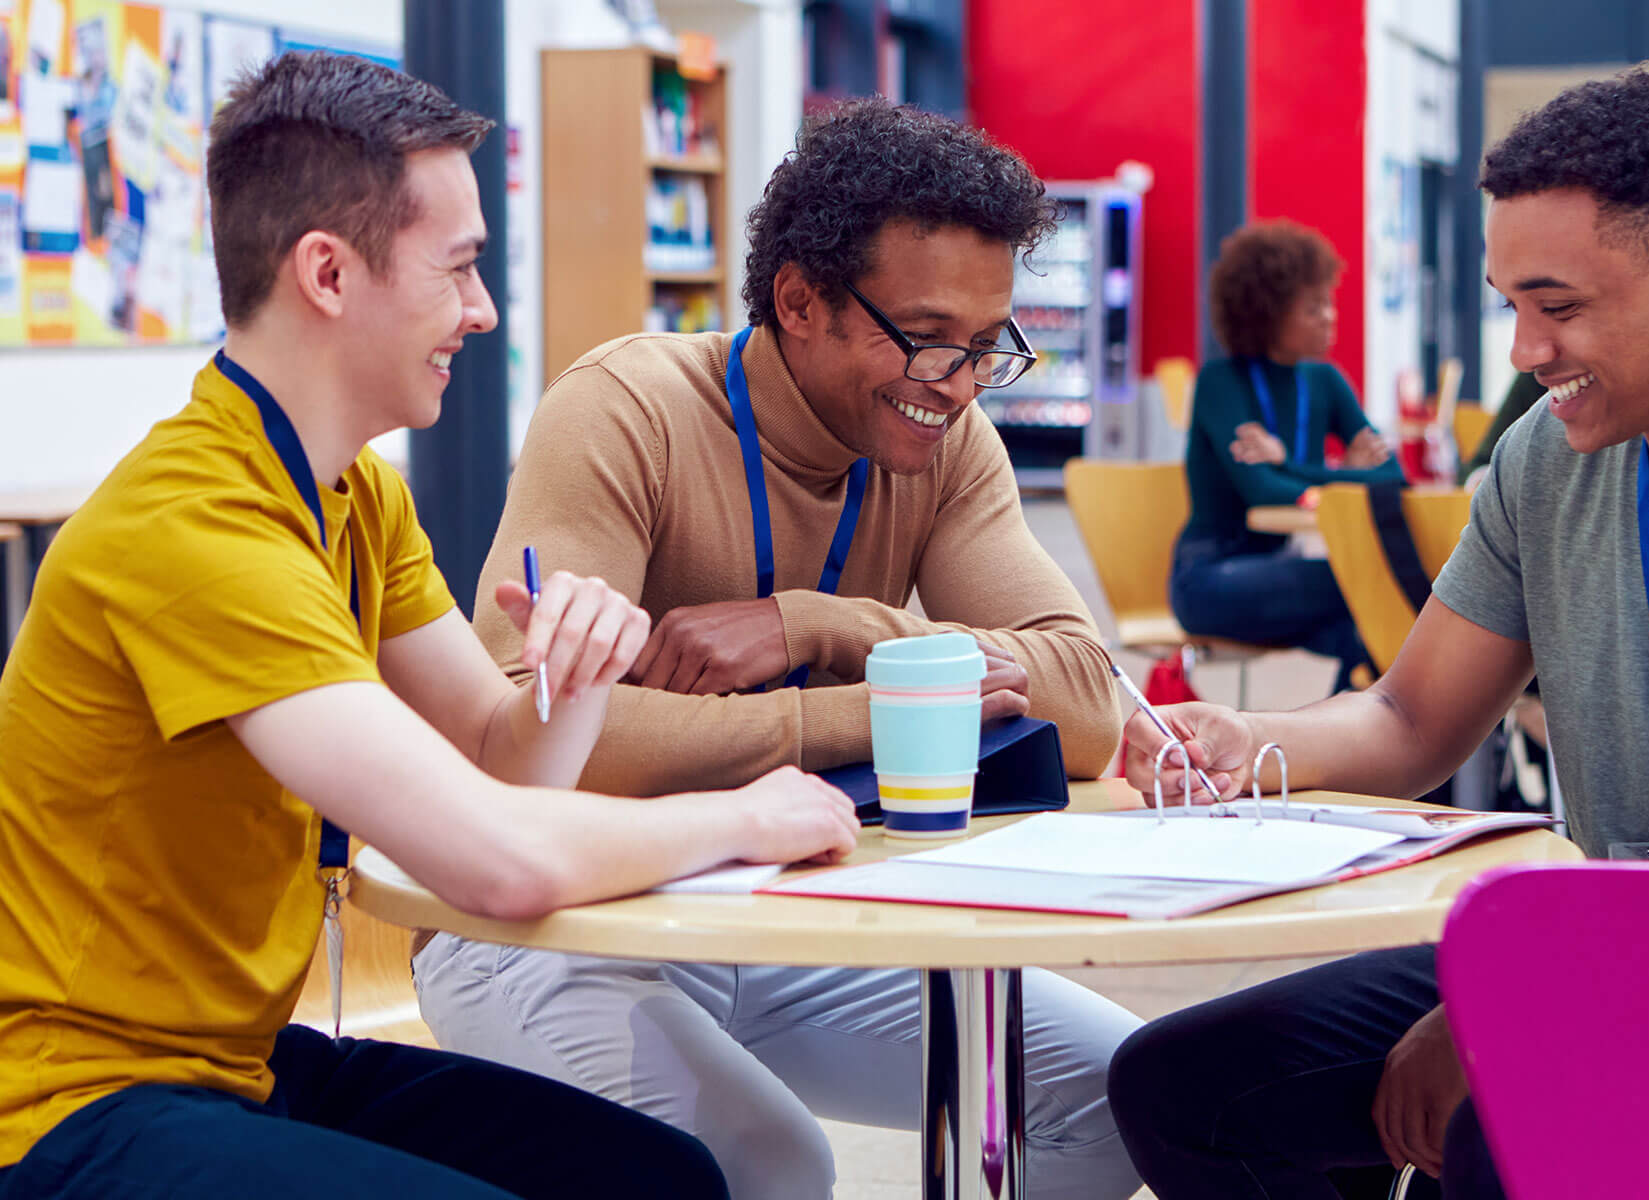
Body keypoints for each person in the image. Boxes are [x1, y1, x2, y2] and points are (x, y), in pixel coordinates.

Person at [0, 52, 864, 1200]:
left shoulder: (359, 493)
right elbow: (496, 865)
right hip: (72, 1104)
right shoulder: (193, 526)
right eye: (458, 267)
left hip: (236, 1067)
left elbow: (500, 761)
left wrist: (576, 675)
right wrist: (747, 814)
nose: (484, 308)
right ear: (327, 274)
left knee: (662, 1178)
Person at [1108, 66, 1649, 1199]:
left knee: (1507, 1131)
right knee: (1178, 1088)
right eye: (1511, 307)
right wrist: (1250, 742)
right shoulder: (1548, 461)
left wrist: (1508, 1005)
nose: (1525, 351)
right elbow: (1408, 715)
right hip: (1603, 956)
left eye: (1562, 306)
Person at [410, 99, 1142, 1200]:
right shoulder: (629, 410)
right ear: (798, 299)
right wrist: (877, 710)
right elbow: (539, 738)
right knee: (769, 1167)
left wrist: (825, 624)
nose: (953, 381)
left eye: (987, 349)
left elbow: (1089, 703)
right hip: (556, 923)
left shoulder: (943, 439)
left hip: (803, 913)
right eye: (929, 337)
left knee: (1125, 1098)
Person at [1171, 219, 1404, 686]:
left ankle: (1350, 756)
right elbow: (1263, 492)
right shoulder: (1221, 384)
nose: (1330, 317)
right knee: (1372, 584)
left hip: (1278, 572)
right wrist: (1334, 474)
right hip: (1211, 577)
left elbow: (1393, 478)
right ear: (1268, 315)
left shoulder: (1326, 381)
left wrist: (1289, 465)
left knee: (1382, 637)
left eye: (1329, 304)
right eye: (1313, 308)